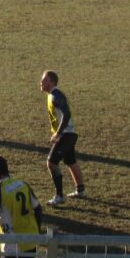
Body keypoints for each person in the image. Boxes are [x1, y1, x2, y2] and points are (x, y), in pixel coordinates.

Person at [0, 155, 43, 257]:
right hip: (30, 240)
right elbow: (38, 209)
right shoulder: (23, 184)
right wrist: (37, 231)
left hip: (12, 244)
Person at [39, 70, 85, 205]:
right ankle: (80, 190)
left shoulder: (56, 95)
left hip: (66, 135)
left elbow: (67, 114)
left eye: (44, 80)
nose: (41, 82)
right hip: (69, 134)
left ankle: (59, 196)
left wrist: (58, 133)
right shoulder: (51, 95)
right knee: (70, 161)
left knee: (51, 162)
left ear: (52, 82)